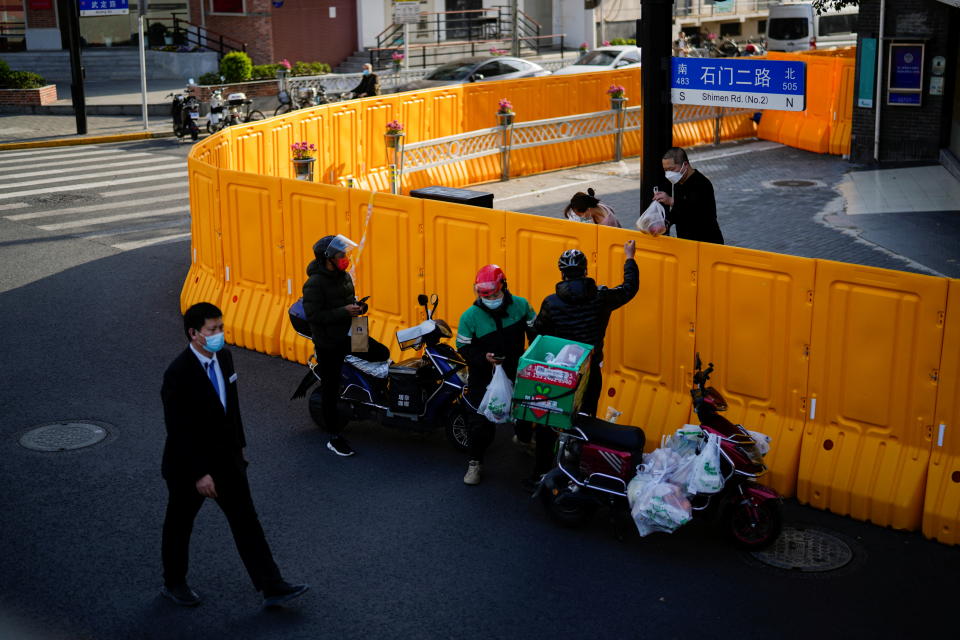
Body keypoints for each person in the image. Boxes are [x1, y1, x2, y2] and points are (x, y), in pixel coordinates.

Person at [160, 302, 308, 608]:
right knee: (179, 524)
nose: (219, 334)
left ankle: (272, 585)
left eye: (220, 328)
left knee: (246, 522)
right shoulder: (178, 373)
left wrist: (239, 451)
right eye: (212, 330)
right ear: (194, 333)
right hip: (191, 467)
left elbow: (232, 411)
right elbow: (178, 430)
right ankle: (174, 583)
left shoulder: (225, 358)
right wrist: (199, 473)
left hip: (227, 460)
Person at [531, 242, 638, 477]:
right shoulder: (601, 297)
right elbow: (629, 288)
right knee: (585, 420)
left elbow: (538, 333)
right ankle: (579, 468)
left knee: (548, 421)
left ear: (562, 274)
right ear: (585, 271)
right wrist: (629, 258)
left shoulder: (551, 302)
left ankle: (540, 472)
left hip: (560, 373)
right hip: (590, 371)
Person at [302, 234, 390, 457]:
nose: (345, 258)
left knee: (383, 353)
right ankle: (334, 437)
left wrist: (358, 308)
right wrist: (343, 311)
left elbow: (349, 304)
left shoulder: (344, 277)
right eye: (341, 255)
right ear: (328, 258)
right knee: (331, 390)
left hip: (353, 330)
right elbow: (314, 315)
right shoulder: (314, 283)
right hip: (330, 341)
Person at [455, 265, 536, 486]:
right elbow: (462, 347)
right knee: (478, 423)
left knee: (525, 411)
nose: (490, 298)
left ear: (504, 286)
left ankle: (524, 439)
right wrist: (484, 358)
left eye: (494, 294)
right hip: (483, 376)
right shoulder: (470, 316)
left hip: (517, 370)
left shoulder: (521, 306)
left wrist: (534, 356)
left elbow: (536, 332)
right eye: (485, 295)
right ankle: (475, 462)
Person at [653, 146, 724, 244]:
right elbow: (677, 212)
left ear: (685, 165)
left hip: (707, 241)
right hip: (686, 241)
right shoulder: (678, 183)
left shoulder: (702, 183)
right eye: (666, 170)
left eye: (672, 169)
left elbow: (697, 211)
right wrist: (666, 223)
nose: (669, 174)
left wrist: (671, 200)